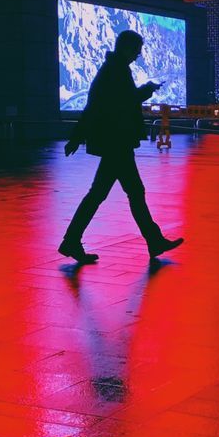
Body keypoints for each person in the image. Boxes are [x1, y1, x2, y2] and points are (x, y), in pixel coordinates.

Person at [59, 30, 184, 265]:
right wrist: (146, 91)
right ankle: (153, 240)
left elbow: (98, 105)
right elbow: (120, 102)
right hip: (117, 142)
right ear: (127, 48)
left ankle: (72, 240)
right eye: (137, 50)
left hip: (115, 142)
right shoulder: (115, 71)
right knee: (129, 193)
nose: (138, 55)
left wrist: (76, 137)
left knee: (110, 193)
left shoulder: (112, 70)